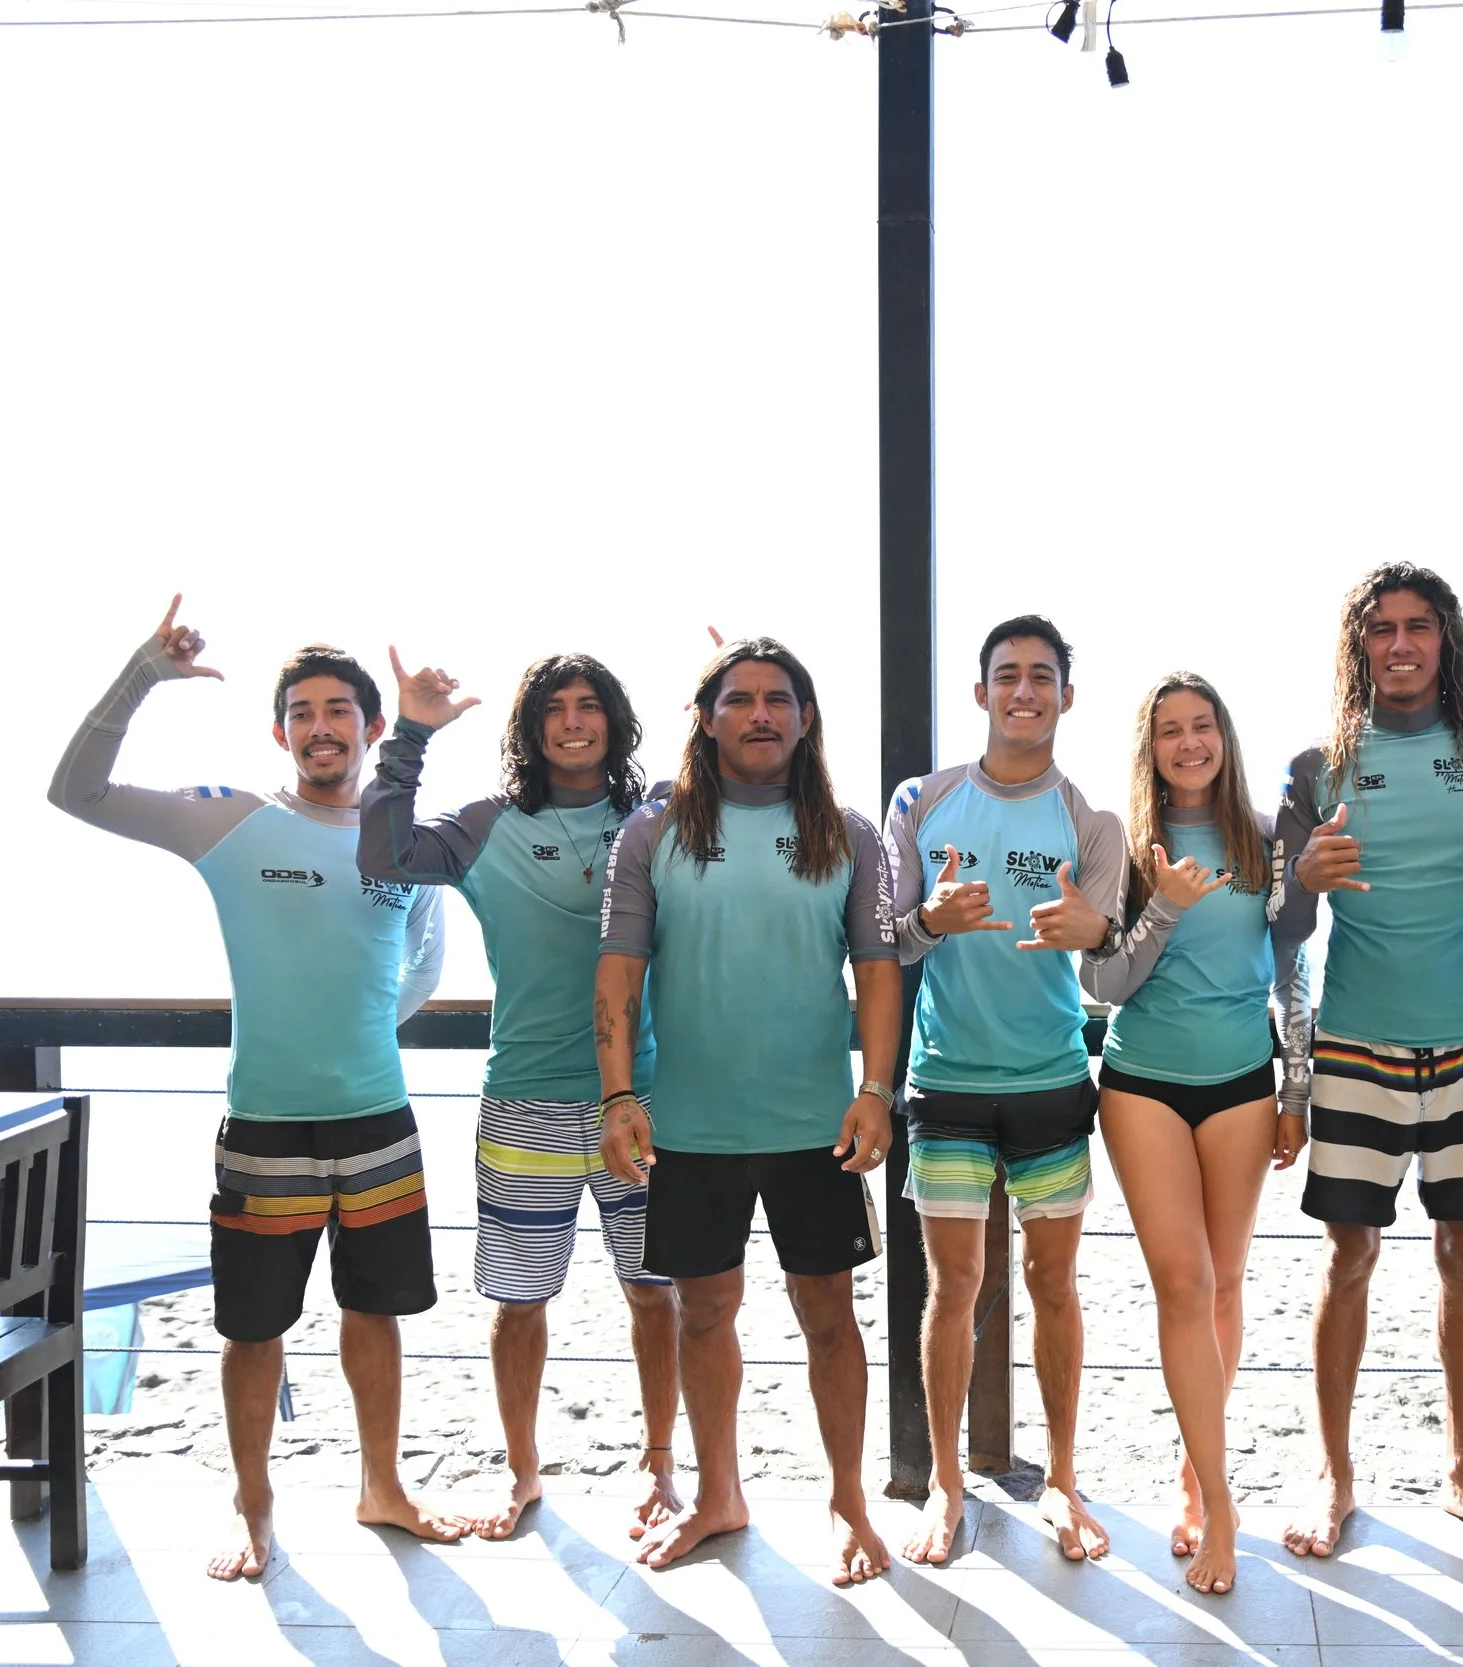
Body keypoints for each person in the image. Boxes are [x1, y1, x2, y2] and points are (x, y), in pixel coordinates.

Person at [48, 597, 456, 1581]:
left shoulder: (406, 838)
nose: (322, 726)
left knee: (376, 1311)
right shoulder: (232, 819)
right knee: (253, 1327)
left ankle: (383, 1485)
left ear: (369, 728)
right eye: (303, 711)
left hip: (379, 1121)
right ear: (281, 731)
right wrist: (144, 670)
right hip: (265, 1125)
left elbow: (421, 969)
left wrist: (347, 1034)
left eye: (340, 711)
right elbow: (76, 791)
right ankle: (253, 1505)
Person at [1272, 563, 1463, 1559]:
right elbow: (1281, 929)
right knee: (1346, 1258)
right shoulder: (1318, 764)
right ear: (1358, 646)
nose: (1401, 644)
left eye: (1420, 627)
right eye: (1382, 628)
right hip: (1355, 1049)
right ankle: (1333, 1469)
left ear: (1446, 641)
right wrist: (1302, 879)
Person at [595, 637, 902, 1586]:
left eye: (780, 699)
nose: (761, 713)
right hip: (691, 1127)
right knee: (703, 1312)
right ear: (707, 715)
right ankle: (719, 1493)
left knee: (828, 1315)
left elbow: (879, 972)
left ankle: (849, 1499)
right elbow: (617, 975)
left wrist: (877, 1091)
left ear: (806, 719)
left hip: (819, 1127)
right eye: (741, 698)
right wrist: (617, 1098)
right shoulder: (653, 834)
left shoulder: (847, 833)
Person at [357, 649, 680, 1542]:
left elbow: (745, 803)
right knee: (519, 1302)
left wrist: (717, 700)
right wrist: (411, 732)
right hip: (523, 1102)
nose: (574, 721)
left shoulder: (651, 818)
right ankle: (525, 1469)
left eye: (590, 705)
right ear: (532, 729)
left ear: (613, 721)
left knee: (656, 1293)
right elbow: (384, 847)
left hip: (642, 1101)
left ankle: (661, 1465)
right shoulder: (486, 824)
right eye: (555, 708)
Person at [885, 615, 1127, 1567]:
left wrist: (1089, 932)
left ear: (1067, 695)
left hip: (1053, 1085)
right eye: (1006, 675)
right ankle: (947, 1487)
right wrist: (930, 920)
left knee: (1054, 1286)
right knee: (953, 1290)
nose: (1023, 691)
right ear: (980, 693)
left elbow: (1107, 966)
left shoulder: (1091, 823)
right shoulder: (924, 799)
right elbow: (886, 937)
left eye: (1041, 676)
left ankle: (1063, 1480)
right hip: (943, 1083)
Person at [1083, 672, 1309, 1596]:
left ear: (1223, 735)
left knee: (1223, 1286)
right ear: (1151, 746)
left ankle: (1191, 1468)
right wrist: (1165, 901)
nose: (1189, 742)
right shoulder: (1123, 846)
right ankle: (1220, 1501)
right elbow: (1104, 985)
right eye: (1170, 729)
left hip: (1243, 1085)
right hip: (1142, 1085)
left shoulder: (1266, 840)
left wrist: (1297, 1085)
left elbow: (1291, 968)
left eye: (1202, 725)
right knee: (1182, 1282)